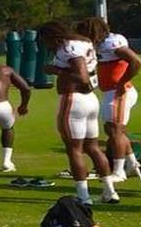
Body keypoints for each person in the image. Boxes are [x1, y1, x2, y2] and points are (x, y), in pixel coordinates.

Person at [39, 21, 117, 205]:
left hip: (73, 99)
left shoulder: (68, 47)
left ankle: (84, 197)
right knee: (93, 147)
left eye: (45, 39)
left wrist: (55, 70)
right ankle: (110, 191)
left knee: (74, 149)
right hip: (90, 99)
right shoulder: (84, 42)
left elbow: (81, 76)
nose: (45, 44)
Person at [77, 17, 141, 192]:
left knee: (115, 130)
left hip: (119, 92)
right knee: (114, 130)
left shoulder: (112, 42)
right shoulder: (101, 45)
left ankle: (119, 171)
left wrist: (121, 83)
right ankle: (132, 163)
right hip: (111, 91)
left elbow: (136, 61)